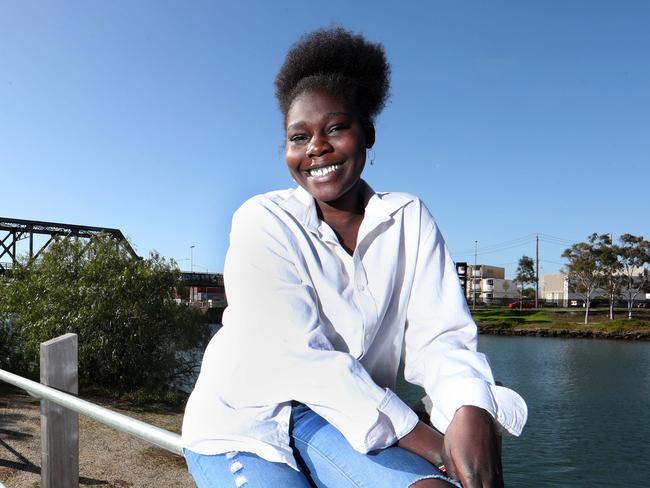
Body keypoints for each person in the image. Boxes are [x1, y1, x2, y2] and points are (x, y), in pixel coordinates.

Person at [182, 27, 527, 488]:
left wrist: (469, 409)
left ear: (368, 132)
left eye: (336, 128)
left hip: (345, 419)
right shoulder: (262, 220)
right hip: (244, 419)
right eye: (298, 136)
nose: (316, 148)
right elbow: (301, 360)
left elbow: (440, 338)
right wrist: (434, 444)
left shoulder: (408, 218)